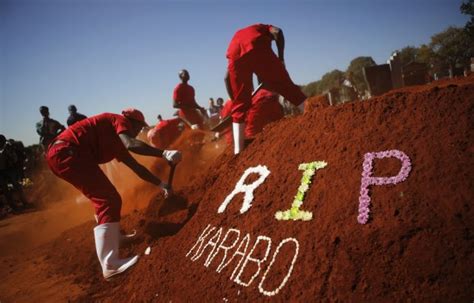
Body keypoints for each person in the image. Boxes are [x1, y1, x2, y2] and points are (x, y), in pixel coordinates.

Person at [45, 108, 182, 280]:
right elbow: (132, 144)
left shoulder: (117, 142)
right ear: (131, 121)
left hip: (66, 154)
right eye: (139, 127)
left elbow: (137, 168)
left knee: (105, 197)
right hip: (66, 153)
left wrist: (162, 185)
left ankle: (115, 238)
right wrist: (164, 153)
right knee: (107, 198)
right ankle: (110, 265)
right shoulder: (118, 120)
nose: (139, 131)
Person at [224, 24, 307, 154]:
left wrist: (235, 98)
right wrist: (281, 58)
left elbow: (226, 77)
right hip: (256, 44)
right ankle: (313, 115)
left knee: (240, 105)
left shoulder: (239, 36)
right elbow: (278, 32)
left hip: (234, 54)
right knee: (284, 84)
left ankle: (238, 150)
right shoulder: (265, 28)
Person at [219, 87, 284, 145]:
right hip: (267, 99)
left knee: (251, 134)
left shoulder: (229, 104)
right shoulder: (257, 96)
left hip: (243, 134)